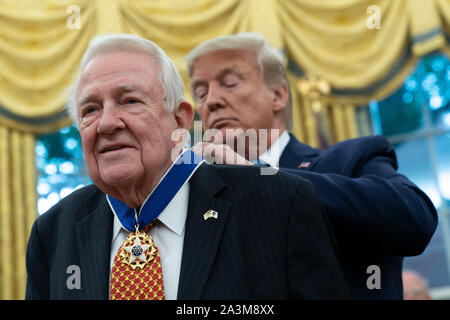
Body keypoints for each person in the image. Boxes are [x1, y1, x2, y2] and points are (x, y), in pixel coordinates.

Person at [25, 33, 351, 300]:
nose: (107, 123)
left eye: (130, 101)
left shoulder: (278, 204)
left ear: (180, 119)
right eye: (90, 109)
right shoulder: (52, 233)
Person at [185, 32, 438, 300]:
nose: (211, 101)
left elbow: (416, 219)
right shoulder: (197, 199)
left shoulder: (351, 159)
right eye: (200, 93)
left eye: (230, 83)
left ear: (278, 95)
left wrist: (261, 176)